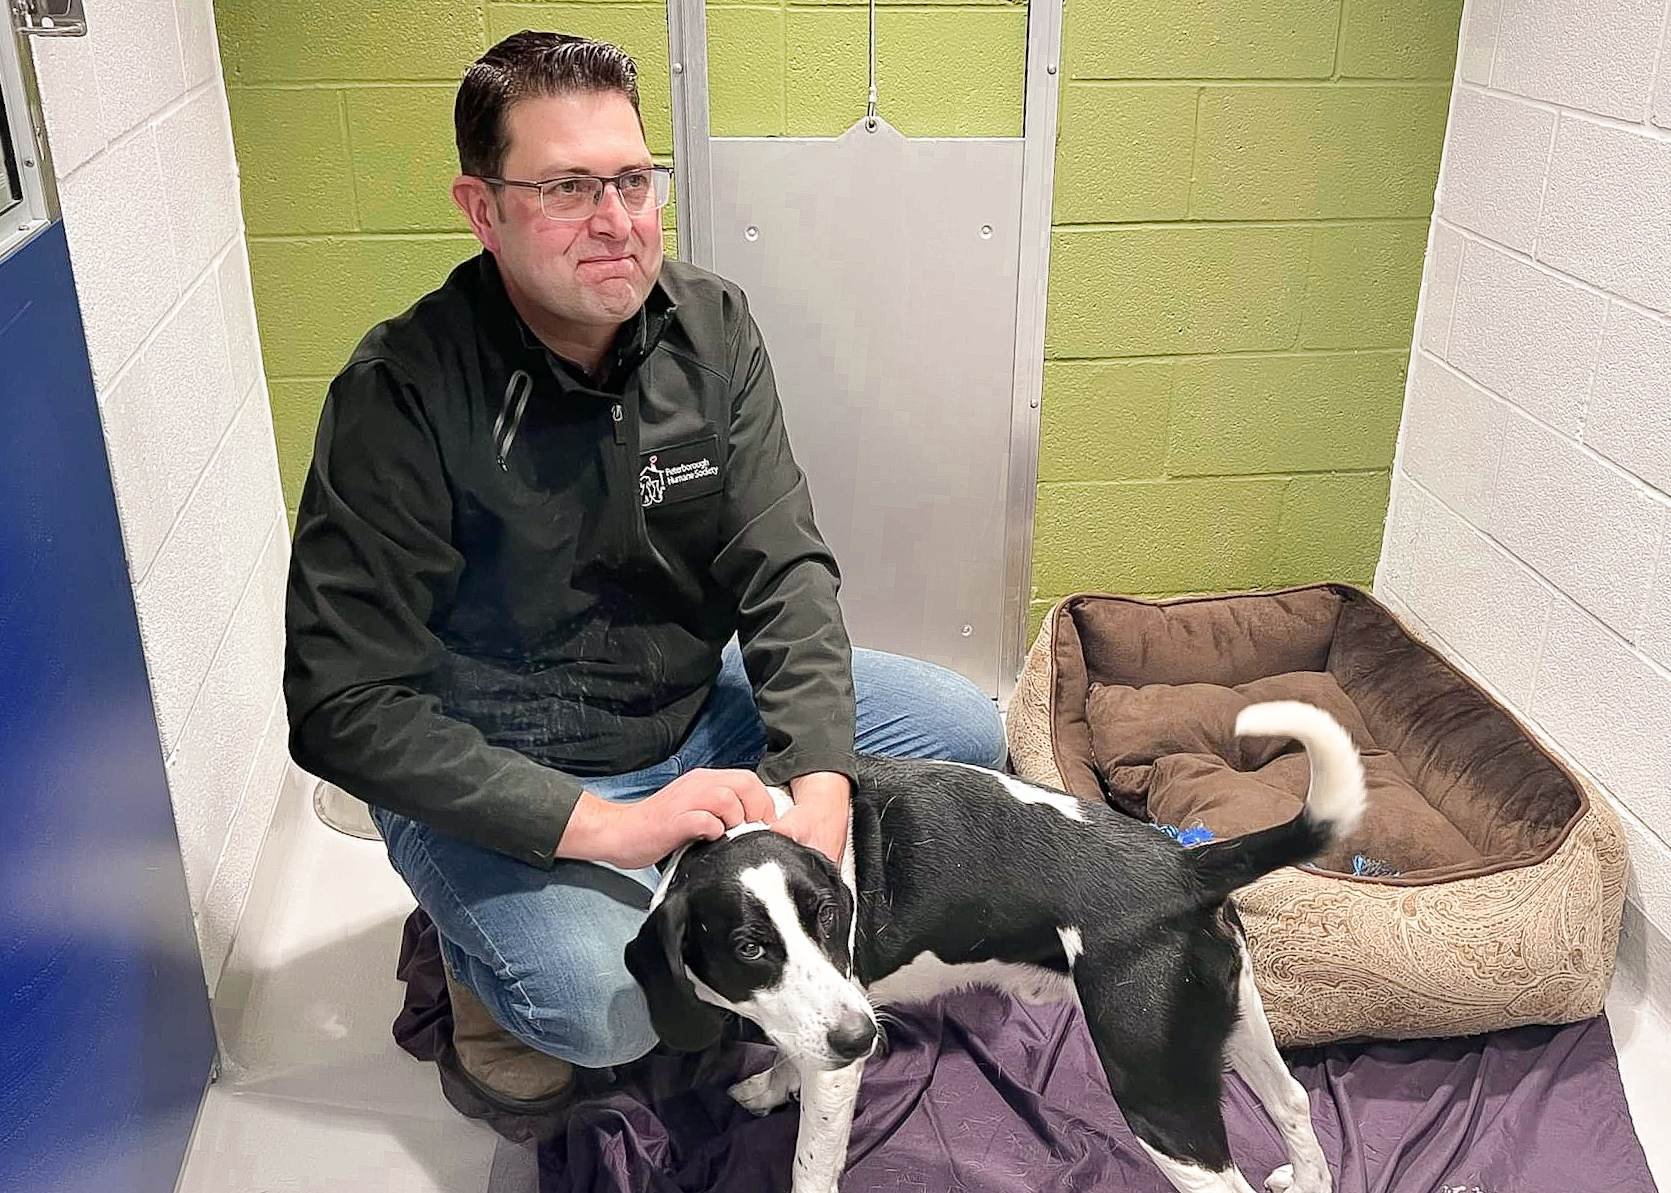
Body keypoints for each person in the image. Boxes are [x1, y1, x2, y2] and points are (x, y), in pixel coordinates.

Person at [282, 29, 1006, 1132]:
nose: (618, 221)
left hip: (684, 700)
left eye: (632, 179)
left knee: (964, 734)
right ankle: (481, 960)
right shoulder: (401, 394)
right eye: (569, 187)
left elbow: (786, 565)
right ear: (483, 209)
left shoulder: (710, 326)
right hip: (504, 757)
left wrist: (816, 776)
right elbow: (340, 707)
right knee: (612, 1007)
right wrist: (601, 827)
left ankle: (695, 875)